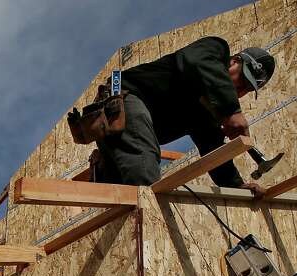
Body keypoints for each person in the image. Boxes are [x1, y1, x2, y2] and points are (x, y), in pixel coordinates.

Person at [95, 37, 275, 197]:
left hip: (120, 125)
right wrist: (232, 111)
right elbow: (197, 61)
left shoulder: (207, 114)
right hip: (123, 97)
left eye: (247, 90)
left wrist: (237, 186)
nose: (240, 90)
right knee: (145, 183)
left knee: (117, 193)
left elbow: (214, 151)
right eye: (243, 81)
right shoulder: (215, 49)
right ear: (234, 61)